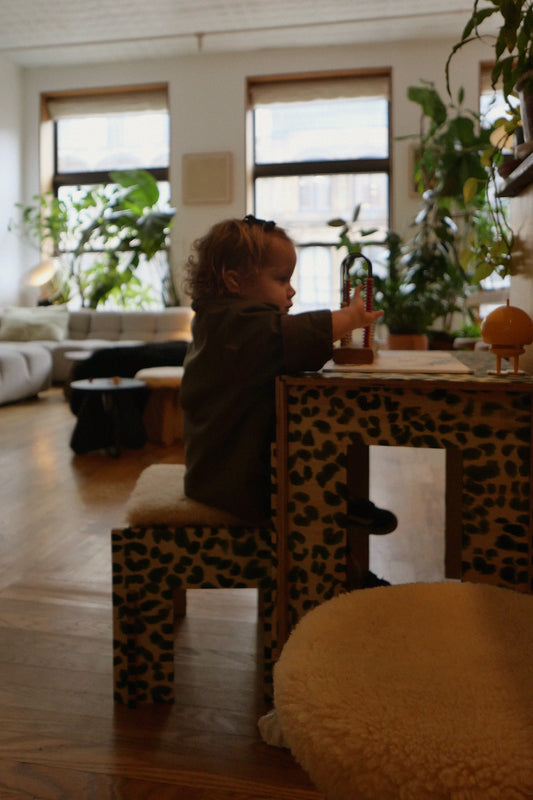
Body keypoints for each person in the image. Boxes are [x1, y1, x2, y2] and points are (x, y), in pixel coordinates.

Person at [181, 215, 396, 588]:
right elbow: (290, 336)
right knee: (311, 515)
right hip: (231, 480)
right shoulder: (236, 327)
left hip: (225, 469)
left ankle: (340, 509)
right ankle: (346, 577)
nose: (290, 291)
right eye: (281, 280)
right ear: (234, 281)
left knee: (316, 473)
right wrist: (350, 318)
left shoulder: (225, 320)